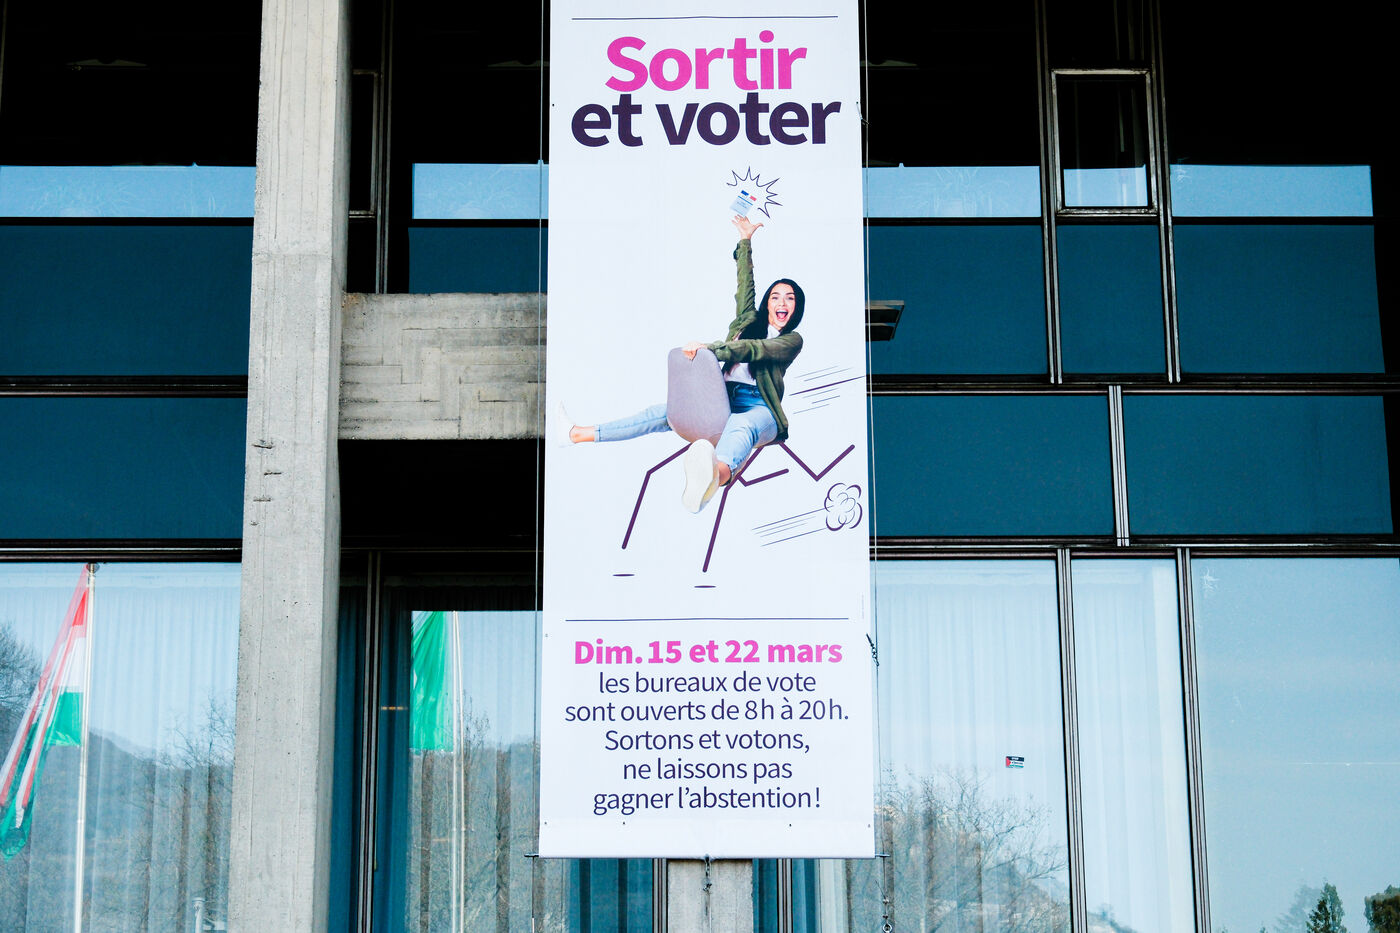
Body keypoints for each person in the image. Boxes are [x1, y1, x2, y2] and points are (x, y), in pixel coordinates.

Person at [562, 214, 805, 512]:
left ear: (796, 307)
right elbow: (745, 284)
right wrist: (745, 240)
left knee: (742, 425)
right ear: (767, 303)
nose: (782, 303)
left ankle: (714, 476)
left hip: (759, 409)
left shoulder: (791, 341)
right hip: (721, 401)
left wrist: (711, 349)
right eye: (776, 297)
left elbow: (754, 350)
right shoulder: (747, 320)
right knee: (663, 413)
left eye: (789, 299)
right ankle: (577, 434)